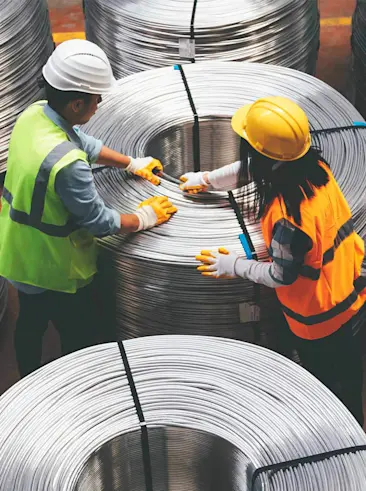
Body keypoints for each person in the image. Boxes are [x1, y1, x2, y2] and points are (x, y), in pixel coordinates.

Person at [180, 96, 366, 426]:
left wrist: (235, 266)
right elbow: (254, 167)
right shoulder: (313, 168)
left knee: (333, 392)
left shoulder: (288, 219)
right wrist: (207, 180)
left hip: (321, 319)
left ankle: (345, 443)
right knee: (349, 375)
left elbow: (283, 276)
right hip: (351, 288)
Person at [0, 39, 177, 377]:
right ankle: (76, 382)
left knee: (31, 322)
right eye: (97, 99)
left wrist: (131, 163)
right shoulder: (68, 165)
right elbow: (98, 221)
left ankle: (26, 376)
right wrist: (144, 217)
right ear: (77, 103)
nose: (99, 105)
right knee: (77, 330)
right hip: (55, 266)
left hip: (17, 250)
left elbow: (81, 140)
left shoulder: (34, 114)